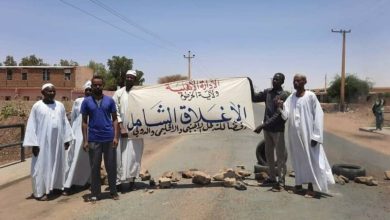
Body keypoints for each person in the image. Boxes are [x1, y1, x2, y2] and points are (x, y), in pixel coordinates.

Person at [279, 74, 334, 197]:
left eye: (298, 81)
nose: (295, 83)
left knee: (310, 159)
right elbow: (286, 114)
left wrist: (316, 136)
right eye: (294, 81)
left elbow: (319, 116)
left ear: (305, 82)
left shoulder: (311, 96)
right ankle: (298, 184)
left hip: (308, 134)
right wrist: (280, 106)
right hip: (294, 135)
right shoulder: (291, 97)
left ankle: (310, 187)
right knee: (297, 159)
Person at [23, 83, 74, 201]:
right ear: (42, 93)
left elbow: (64, 122)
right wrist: (34, 144)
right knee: (40, 166)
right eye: (48, 91)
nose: (51, 93)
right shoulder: (37, 106)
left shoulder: (60, 105)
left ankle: (56, 187)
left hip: (57, 142)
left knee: (58, 164)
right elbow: (32, 125)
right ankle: (40, 192)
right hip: (42, 144)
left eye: (53, 91)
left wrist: (66, 139)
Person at [81, 75, 119, 203]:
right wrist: (85, 140)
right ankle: (95, 193)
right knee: (94, 167)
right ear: (91, 86)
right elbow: (84, 122)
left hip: (108, 138)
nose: (97, 87)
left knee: (111, 166)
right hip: (93, 139)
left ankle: (113, 191)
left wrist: (115, 136)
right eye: (95, 85)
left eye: (99, 85)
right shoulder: (86, 102)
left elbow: (115, 119)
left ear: (103, 86)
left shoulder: (110, 101)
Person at [250, 73, 289, 192]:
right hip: (267, 130)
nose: (274, 81)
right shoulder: (267, 92)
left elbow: (278, 115)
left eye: (277, 79)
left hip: (277, 130)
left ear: (282, 82)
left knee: (280, 157)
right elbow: (254, 98)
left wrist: (262, 125)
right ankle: (272, 178)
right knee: (269, 155)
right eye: (274, 79)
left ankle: (281, 181)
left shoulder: (284, 95)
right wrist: (250, 83)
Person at [113, 70, 144, 193]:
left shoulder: (140, 93)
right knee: (119, 157)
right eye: (128, 77)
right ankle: (119, 182)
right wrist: (121, 127)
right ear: (125, 78)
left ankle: (132, 181)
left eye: (132, 78)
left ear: (135, 80)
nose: (129, 79)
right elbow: (114, 111)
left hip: (136, 132)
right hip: (121, 132)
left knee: (134, 157)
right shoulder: (118, 93)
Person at [63, 81, 92, 194]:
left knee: (87, 158)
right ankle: (69, 183)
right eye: (87, 90)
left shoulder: (96, 101)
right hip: (77, 132)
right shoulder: (78, 101)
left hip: (91, 132)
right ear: (84, 91)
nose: (89, 92)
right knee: (74, 158)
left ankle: (85, 181)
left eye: (91, 90)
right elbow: (74, 118)